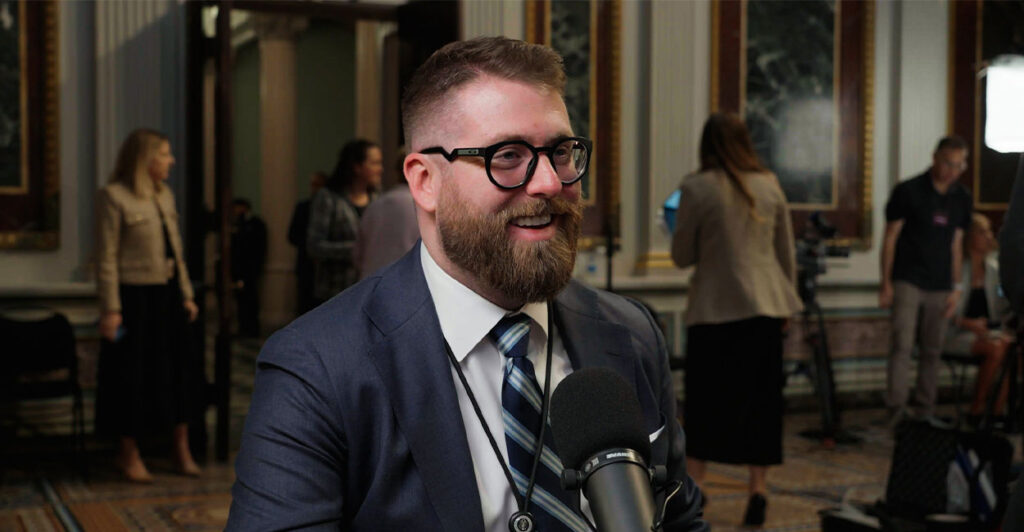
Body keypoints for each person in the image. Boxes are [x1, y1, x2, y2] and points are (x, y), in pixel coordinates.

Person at [228, 37, 707, 531]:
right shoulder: (317, 367)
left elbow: (679, 520)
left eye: (561, 152)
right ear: (425, 181)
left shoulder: (630, 333)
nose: (549, 182)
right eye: (508, 155)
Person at [670, 112, 803, 526]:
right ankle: (758, 490)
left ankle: (698, 487)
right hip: (765, 309)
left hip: (715, 311)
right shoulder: (769, 184)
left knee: (707, 404)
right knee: (762, 405)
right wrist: (786, 305)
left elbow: (682, 256)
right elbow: (785, 252)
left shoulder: (696, 187)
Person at [95, 128, 201, 483]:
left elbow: (177, 252)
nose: (171, 161)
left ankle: (180, 447)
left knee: (177, 372)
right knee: (132, 374)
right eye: (165, 154)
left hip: (167, 296)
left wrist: (186, 294)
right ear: (145, 158)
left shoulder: (164, 195)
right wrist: (111, 310)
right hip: (133, 299)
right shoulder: (114, 197)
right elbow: (106, 258)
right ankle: (128, 453)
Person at [880, 136, 972, 423]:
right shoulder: (908, 190)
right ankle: (896, 410)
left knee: (933, 350)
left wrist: (957, 286)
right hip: (907, 278)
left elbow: (957, 244)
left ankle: (925, 412)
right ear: (935, 158)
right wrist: (885, 282)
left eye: (959, 166)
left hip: (941, 283)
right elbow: (890, 238)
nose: (952, 171)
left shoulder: (962, 197)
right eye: (947, 163)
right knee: (902, 345)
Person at [945, 213, 1013, 423]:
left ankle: (997, 412)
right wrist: (969, 324)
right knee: (996, 348)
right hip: (955, 332)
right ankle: (977, 409)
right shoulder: (956, 268)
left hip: (987, 332)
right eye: (982, 232)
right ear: (970, 237)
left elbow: (1003, 305)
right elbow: (942, 311)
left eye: (989, 231)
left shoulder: (994, 270)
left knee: (1008, 347)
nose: (988, 236)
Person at [306, 140, 382, 304]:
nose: (380, 169)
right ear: (357, 167)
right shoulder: (328, 198)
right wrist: (356, 249)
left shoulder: (377, 199)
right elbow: (314, 246)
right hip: (335, 292)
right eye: (374, 163)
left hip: (369, 291)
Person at [354, 147, 420, 279]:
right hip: (406, 284)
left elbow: (357, 256)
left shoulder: (374, 206)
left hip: (371, 284)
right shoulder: (424, 210)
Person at [287, 171, 326, 314]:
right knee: (304, 305)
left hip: (325, 267)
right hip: (306, 263)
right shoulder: (303, 207)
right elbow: (292, 235)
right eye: (313, 185)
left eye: (318, 185)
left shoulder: (329, 207)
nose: (315, 188)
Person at [230, 198, 267, 337]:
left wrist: (256, 267)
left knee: (251, 299)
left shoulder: (256, 223)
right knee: (241, 300)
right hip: (239, 268)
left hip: (251, 268)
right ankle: (243, 327)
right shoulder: (236, 224)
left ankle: (252, 328)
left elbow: (259, 247)